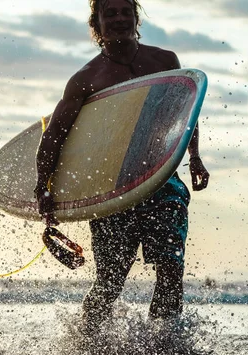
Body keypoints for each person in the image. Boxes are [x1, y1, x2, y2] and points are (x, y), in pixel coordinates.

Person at [34, 0, 209, 335]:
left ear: (135, 17)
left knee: (170, 269)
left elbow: (185, 113)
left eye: (124, 11)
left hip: (162, 182)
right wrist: (44, 185)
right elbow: (54, 136)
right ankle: (86, 339)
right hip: (113, 187)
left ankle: (164, 342)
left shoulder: (164, 61)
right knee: (111, 281)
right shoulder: (86, 79)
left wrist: (195, 157)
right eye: (108, 13)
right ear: (96, 24)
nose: (118, 19)